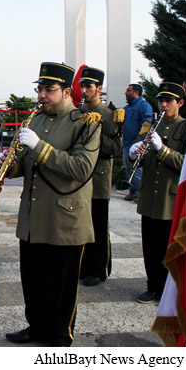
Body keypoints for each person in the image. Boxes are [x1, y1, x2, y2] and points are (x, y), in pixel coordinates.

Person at [2, 62, 101, 347]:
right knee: (33, 279)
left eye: (49, 89)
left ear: (67, 91)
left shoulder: (86, 123)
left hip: (64, 219)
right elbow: (27, 163)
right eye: (40, 89)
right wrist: (9, 166)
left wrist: (39, 146)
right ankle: (36, 326)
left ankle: (59, 334)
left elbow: (81, 168)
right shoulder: (37, 120)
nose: (42, 95)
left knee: (60, 283)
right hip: (34, 215)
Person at [128, 81, 186, 304]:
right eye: (160, 101)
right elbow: (141, 158)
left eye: (168, 101)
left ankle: (169, 290)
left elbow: (185, 164)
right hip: (149, 197)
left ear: (180, 103)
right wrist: (134, 154)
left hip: (169, 198)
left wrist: (162, 149)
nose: (163, 105)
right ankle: (153, 285)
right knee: (150, 245)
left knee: (167, 247)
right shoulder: (151, 126)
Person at [78, 67, 124, 287]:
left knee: (98, 224)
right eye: (82, 86)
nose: (85, 91)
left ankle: (100, 268)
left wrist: (94, 132)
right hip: (80, 177)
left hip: (98, 177)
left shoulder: (108, 114)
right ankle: (84, 266)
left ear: (99, 89)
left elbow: (115, 147)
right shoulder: (77, 112)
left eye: (89, 87)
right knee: (81, 224)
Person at [122, 83, 153, 202]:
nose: (125, 93)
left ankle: (141, 193)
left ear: (136, 93)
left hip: (136, 144)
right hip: (127, 142)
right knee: (128, 167)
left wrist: (139, 139)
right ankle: (133, 191)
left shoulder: (144, 106)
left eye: (128, 90)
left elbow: (146, 123)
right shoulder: (128, 107)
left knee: (137, 168)